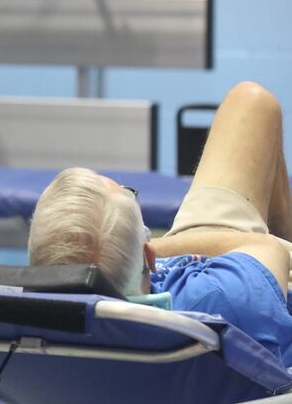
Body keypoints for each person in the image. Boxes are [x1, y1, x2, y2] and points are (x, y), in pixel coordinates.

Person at [28, 81, 292, 365]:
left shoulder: (22, 335)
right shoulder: (222, 299)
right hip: (235, 275)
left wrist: (130, 253)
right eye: (128, 192)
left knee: (251, 103)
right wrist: (155, 245)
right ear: (149, 256)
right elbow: (266, 248)